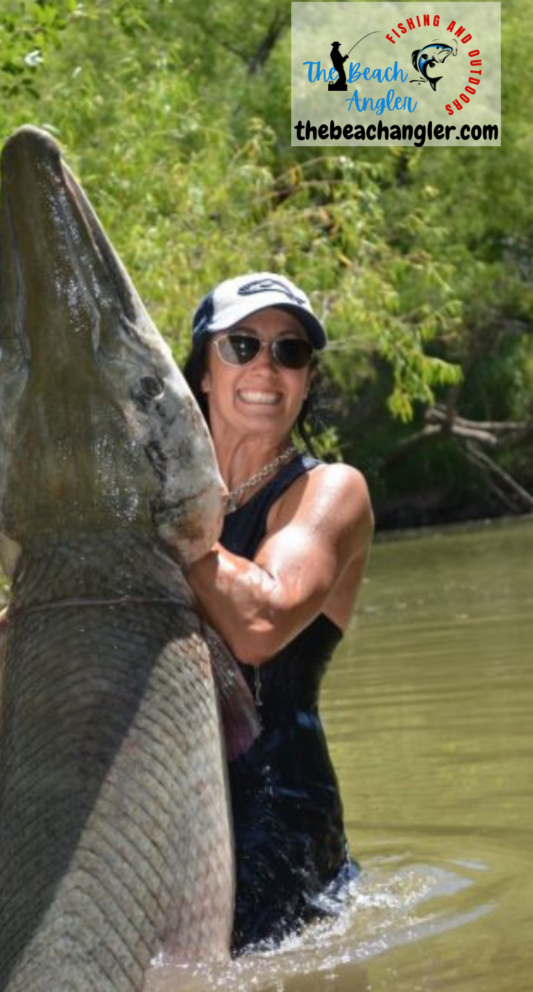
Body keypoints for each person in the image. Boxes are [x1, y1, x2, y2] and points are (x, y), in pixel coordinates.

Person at [182, 271, 374, 954]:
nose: (266, 365)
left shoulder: (331, 492)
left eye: (288, 351)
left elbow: (260, 624)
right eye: (241, 345)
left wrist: (157, 516)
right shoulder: (170, 509)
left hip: (281, 827)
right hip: (161, 819)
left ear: (305, 377)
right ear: (202, 373)